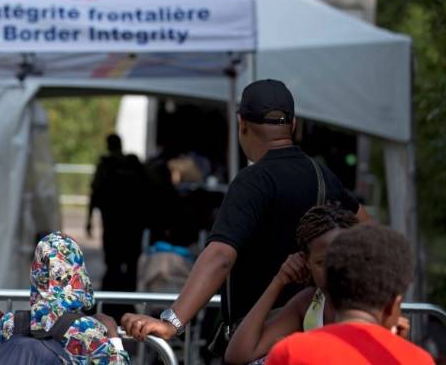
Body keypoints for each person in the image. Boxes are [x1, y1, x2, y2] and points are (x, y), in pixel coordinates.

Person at [122, 79, 370, 347]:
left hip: (259, 339)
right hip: (313, 336)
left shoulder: (252, 181)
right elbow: (370, 234)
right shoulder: (323, 176)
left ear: (242, 125)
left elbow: (221, 256)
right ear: (293, 124)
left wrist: (172, 322)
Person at [266, 225, 434, 364]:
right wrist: (397, 346)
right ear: (392, 306)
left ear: (331, 296)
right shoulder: (418, 360)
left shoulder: (291, 351)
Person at [224, 205, 361, 364]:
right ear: (306, 262)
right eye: (321, 262)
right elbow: (238, 355)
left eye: (342, 258)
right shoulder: (309, 302)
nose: (334, 268)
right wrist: (279, 281)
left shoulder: (371, 299)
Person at [0, 232, 130, 364]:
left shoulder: (9, 324)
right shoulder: (88, 330)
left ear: (36, 273)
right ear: (78, 273)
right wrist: (113, 336)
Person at [87, 134, 147, 319]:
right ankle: (127, 304)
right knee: (130, 266)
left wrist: (88, 220)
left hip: (112, 223)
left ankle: (110, 304)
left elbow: (95, 193)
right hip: (132, 225)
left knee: (112, 263)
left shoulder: (106, 165)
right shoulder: (134, 165)